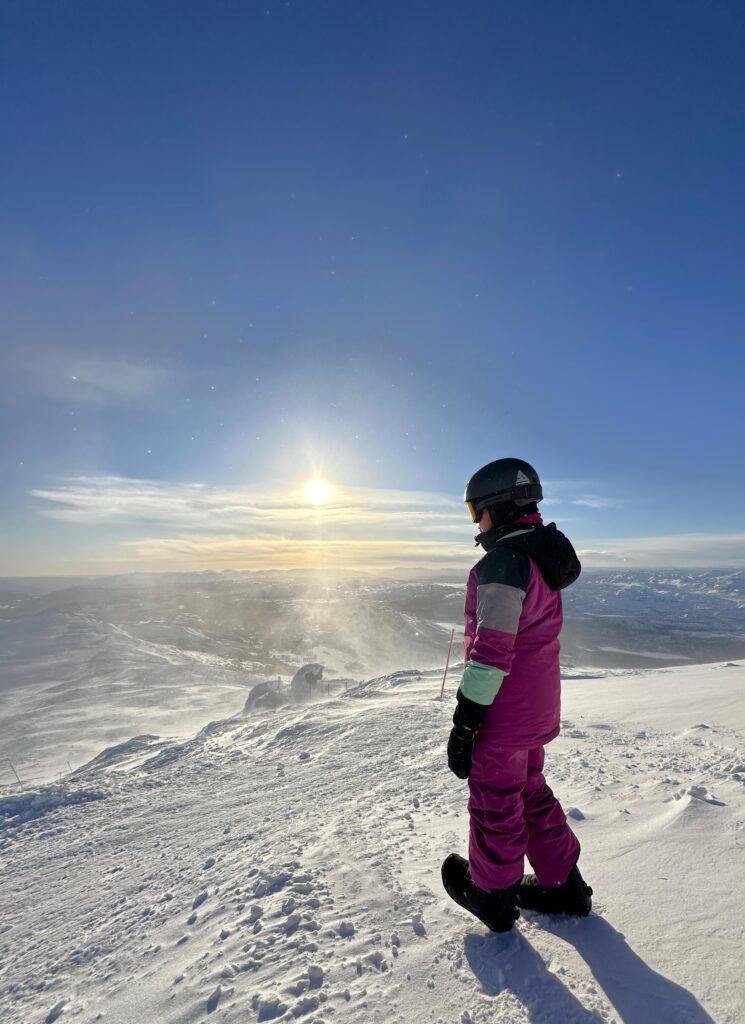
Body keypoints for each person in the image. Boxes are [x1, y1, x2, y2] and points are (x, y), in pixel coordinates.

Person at [441, 457, 593, 932]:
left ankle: (492, 895)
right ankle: (563, 885)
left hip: (503, 716)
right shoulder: (539, 557)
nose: (475, 522)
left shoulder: (504, 564)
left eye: (475, 511)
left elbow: (491, 656)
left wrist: (465, 724)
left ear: (498, 509)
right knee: (529, 792)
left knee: (495, 801)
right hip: (536, 709)